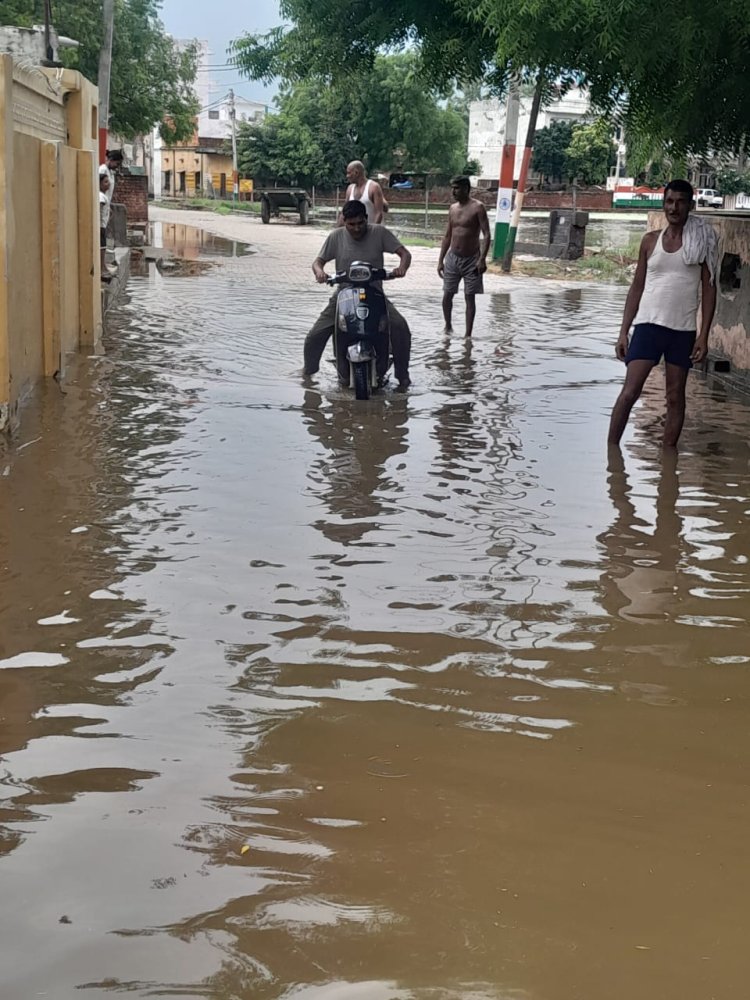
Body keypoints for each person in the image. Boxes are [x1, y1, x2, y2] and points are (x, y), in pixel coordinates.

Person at [608, 178, 718, 449]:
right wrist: (624, 331)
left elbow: (709, 290)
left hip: (682, 330)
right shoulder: (649, 242)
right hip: (647, 326)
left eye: (681, 202)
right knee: (629, 392)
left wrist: (703, 336)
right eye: (669, 201)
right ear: (663, 205)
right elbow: (636, 288)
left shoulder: (700, 244)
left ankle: (667, 461)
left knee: (674, 398)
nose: (674, 207)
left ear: (690, 205)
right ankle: (611, 455)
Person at [305, 199, 413, 389]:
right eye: (351, 224)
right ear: (344, 221)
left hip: (375, 294)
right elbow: (318, 261)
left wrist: (401, 268)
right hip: (343, 295)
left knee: (400, 327)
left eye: (360, 223)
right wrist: (320, 272)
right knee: (315, 334)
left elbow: (405, 254)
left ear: (366, 218)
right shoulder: (336, 237)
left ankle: (403, 376)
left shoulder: (379, 232)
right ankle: (308, 373)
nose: (356, 228)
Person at [437, 176, 491, 337]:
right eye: (452, 188)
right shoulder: (452, 208)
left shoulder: (478, 207)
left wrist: (482, 259)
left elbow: (487, 234)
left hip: (472, 260)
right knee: (447, 295)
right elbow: (447, 236)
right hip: (453, 257)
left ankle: (468, 335)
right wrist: (440, 261)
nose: (453, 191)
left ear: (467, 189)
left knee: (470, 297)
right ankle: (448, 326)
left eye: (457, 188)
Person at [337, 160, 385, 225]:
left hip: (372, 232)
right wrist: (337, 231)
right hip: (356, 232)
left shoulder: (374, 187)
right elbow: (344, 213)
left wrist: (372, 232)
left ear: (356, 173)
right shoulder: (350, 189)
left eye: (349, 173)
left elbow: (379, 213)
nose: (347, 176)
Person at [99, 173, 112, 283]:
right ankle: (101, 268)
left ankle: (103, 267)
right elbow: (99, 210)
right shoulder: (101, 197)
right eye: (106, 182)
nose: (108, 184)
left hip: (103, 225)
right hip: (100, 226)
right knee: (102, 248)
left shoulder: (103, 195)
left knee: (103, 247)